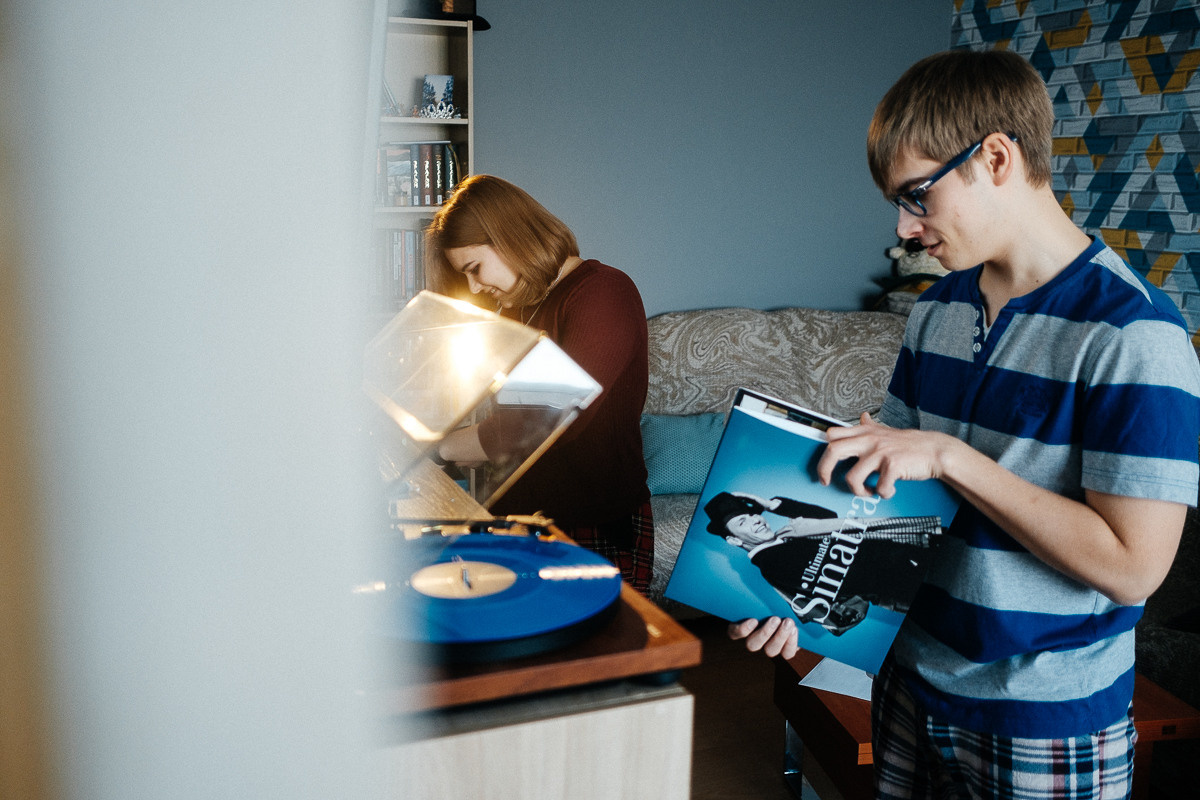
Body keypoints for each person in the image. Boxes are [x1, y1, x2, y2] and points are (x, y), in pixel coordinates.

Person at [731, 49, 1200, 799]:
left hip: (1044, 723)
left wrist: (951, 457)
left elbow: (1133, 567)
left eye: (918, 195)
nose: (905, 227)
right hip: (906, 681)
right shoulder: (936, 311)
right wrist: (808, 611)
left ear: (995, 157)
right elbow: (889, 495)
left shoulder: (1134, 334)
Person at [424, 174, 654, 591]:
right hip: (521, 519)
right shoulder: (520, 308)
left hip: (593, 525)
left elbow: (537, 421)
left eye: (475, 268)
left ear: (511, 237)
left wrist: (435, 447)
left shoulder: (603, 293)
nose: (476, 286)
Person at [704, 491, 941, 635]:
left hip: (914, 554)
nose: (756, 520)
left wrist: (772, 505)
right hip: (908, 578)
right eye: (742, 522)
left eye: (754, 514)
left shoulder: (786, 536)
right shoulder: (772, 562)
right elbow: (848, 577)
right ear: (734, 540)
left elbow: (828, 518)